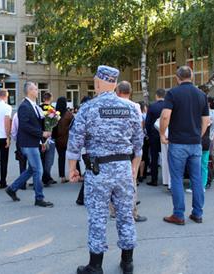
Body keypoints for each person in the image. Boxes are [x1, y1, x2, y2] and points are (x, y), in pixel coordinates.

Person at [67, 66, 143, 274]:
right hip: (123, 169)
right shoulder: (130, 108)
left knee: (98, 217)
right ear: (116, 84)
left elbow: (75, 142)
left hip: (98, 171)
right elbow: (138, 144)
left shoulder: (89, 108)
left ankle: (95, 266)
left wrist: (72, 169)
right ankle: (128, 263)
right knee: (125, 214)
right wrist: (134, 169)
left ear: (97, 82)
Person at [160, 66, 210, 225]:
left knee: (176, 178)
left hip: (178, 143)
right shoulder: (202, 95)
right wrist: (198, 135)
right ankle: (197, 213)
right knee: (196, 178)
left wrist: (162, 133)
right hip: (195, 143)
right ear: (192, 76)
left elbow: (165, 116)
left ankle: (178, 214)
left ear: (177, 77)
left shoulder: (173, 93)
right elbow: (206, 121)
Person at [5, 82, 54, 208]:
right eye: (36, 89)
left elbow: (37, 123)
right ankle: (39, 198)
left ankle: (12, 188)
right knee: (38, 169)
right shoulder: (24, 106)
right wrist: (42, 133)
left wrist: (43, 137)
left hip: (33, 142)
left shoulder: (34, 106)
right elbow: (25, 126)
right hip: (27, 143)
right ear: (29, 91)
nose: (38, 91)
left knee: (32, 169)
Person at [115, 80, 147, 223]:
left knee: (113, 181)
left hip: (113, 150)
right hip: (129, 149)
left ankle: (113, 210)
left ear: (118, 92)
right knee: (131, 180)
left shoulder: (111, 105)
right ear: (130, 92)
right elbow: (138, 129)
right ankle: (132, 212)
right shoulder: (134, 106)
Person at [145, 89, 166, 186]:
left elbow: (148, 123)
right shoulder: (168, 105)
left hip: (154, 135)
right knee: (167, 157)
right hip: (166, 134)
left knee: (154, 157)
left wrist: (149, 134)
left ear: (157, 96)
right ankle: (167, 180)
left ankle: (154, 179)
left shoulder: (152, 106)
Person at [54, 96, 74, 183]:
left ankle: (62, 176)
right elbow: (74, 125)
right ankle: (75, 174)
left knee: (61, 157)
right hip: (68, 139)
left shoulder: (54, 114)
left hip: (58, 139)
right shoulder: (68, 114)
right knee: (72, 157)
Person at [40, 92, 57, 186]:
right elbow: (54, 122)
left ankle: (44, 176)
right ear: (50, 98)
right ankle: (47, 177)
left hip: (40, 135)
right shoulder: (51, 109)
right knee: (49, 159)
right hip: (49, 136)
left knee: (42, 158)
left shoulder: (38, 108)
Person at [138, 101, 149, 183]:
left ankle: (137, 175)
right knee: (143, 157)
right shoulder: (145, 116)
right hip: (143, 138)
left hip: (136, 138)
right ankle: (142, 174)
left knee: (137, 156)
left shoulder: (136, 115)